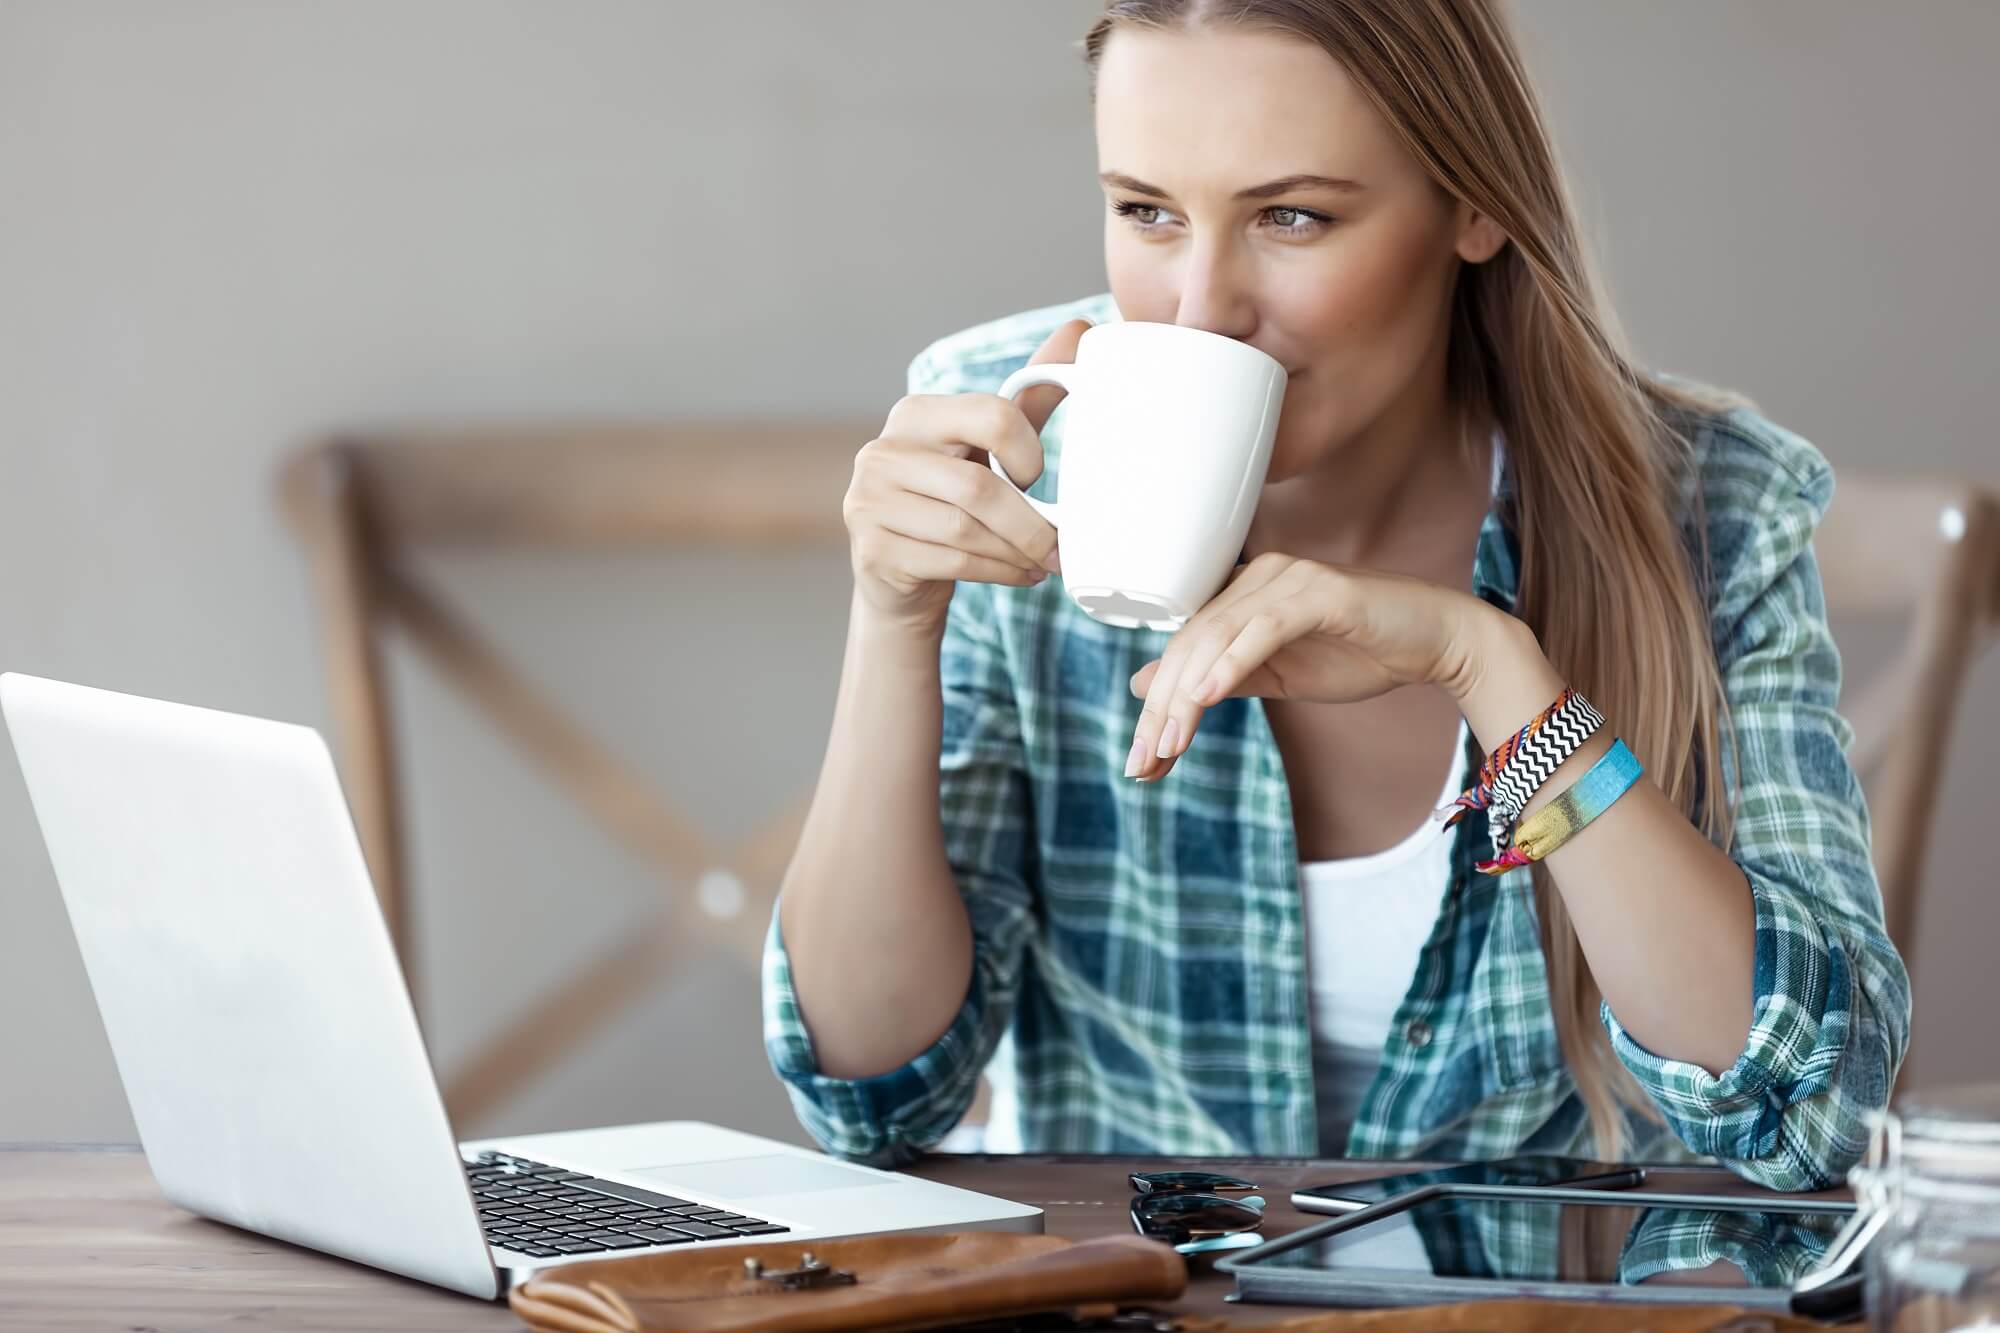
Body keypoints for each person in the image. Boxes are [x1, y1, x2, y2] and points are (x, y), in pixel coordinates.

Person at [761, 0, 1909, 1190]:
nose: (1200, 306)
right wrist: (891, 621)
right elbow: (866, 1086)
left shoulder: (1709, 505)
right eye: (1145, 211)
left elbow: (1805, 1107)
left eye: (1291, 216)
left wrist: (1495, 671)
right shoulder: (1014, 441)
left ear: (1471, 206)